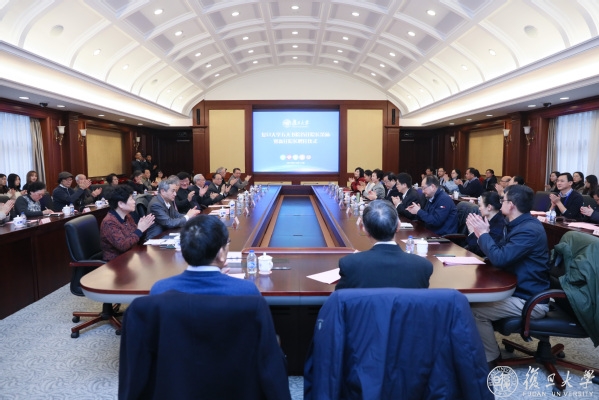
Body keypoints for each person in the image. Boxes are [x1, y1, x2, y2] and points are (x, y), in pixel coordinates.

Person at [467, 185, 550, 367]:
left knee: (474, 311)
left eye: (502, 200)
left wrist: (483, 234)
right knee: (471, 301)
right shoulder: (515, 224)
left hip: (530, 299)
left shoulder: (528, 230)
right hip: (518, 289)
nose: (500, 203)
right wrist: (482, 235)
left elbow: (500, 258)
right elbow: (498, 252)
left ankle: (491, 357)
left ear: (511, 205)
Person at [151, 215, 261, 296]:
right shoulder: (247, 291)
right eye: (227, 243)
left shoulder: (160, 290)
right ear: (221, 253)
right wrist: (217, 277)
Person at [335, 200, 433, 290]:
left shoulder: (350, 264)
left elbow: (340, 299)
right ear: (398, 226)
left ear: (365, 230)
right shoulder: (423, 266)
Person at [100, 185, 155, 261]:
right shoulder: (109, 222)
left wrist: (144, 228)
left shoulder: (127, 216)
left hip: (131, 257)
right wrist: (140, 230)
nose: (134, 202)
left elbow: (134, 238)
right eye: (131, 199)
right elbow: (123, 246)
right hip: (116, 262)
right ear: (120, 204)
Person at [465, 191, 505, 257]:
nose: (479, 208)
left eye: (480, 206)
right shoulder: (486, 219)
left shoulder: (499, 224)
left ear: (489, 207)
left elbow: (481, 252)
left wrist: (472, 232)